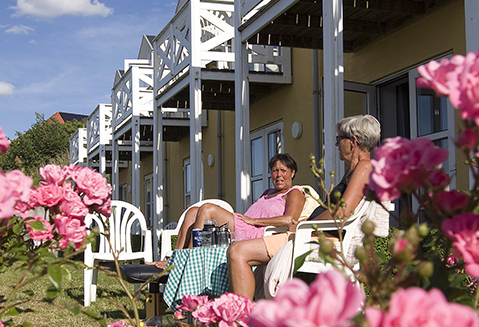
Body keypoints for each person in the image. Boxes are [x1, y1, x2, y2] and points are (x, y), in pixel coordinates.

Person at [227, 114, 380, 297]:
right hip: (310, 233)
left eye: (339, 139)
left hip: (312, 237)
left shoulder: (364, 167)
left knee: (237, 251)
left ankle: (240, 321)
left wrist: (303, 225)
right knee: (241, 249)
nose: (337, 144)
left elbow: (342, 212)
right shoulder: (354, 171)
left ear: (353, 141)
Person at [154, 153, 306, 267]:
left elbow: (289, 219)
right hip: (244, 225)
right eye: (275, 170)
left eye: (283, 170)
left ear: (292, 173)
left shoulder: (294, 192)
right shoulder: (267, 192)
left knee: (207, 209)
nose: (279, 175)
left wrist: (254, 221)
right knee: (193, 211)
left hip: (256, 232)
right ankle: (174, 258)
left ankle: (186, 262)